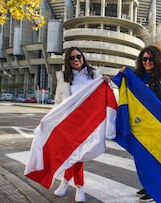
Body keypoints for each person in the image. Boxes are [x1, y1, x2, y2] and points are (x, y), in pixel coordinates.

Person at [53, 47, 110, 202]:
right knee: (73, 154)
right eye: (72, 58)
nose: (76, 59)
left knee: (76, 155)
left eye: (78, 56)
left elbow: (105, 95)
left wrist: (108, 83)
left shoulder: (95, 75)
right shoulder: (63, 78)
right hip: (70, 122)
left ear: (83, 57)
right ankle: (75, 185)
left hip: (88, 123)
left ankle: (70, 184)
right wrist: (49, 118)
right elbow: (58, 102)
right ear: (68, 61)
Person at [119, 45, 161, 202]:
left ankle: (154, 189)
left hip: (158, 125)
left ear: (156, 60)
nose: (147, 62)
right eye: (144, 59)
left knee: (155, 157)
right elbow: (124, 87)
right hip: (140, 126)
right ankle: (148, 185)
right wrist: (123, 73)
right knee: (143, 158)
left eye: (150, 59)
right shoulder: (136, 76)